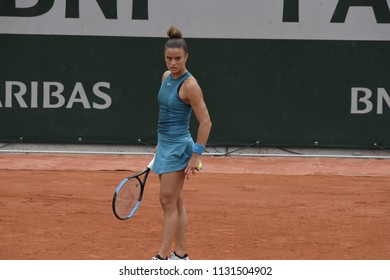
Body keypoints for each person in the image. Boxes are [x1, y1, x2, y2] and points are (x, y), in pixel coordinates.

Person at [151, 26, 212, 260]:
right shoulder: (166, 77)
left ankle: (161, 257)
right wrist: (160, 143)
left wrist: (196, 156)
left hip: (179, 148)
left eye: (178, 58)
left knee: (167, 202)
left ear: (186, 57)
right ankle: (181, 254)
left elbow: (205, 122)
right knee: (176, 201)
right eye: (169, 58)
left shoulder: (190, 85)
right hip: (165, 145)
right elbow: (165, 114)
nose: (173, 63)